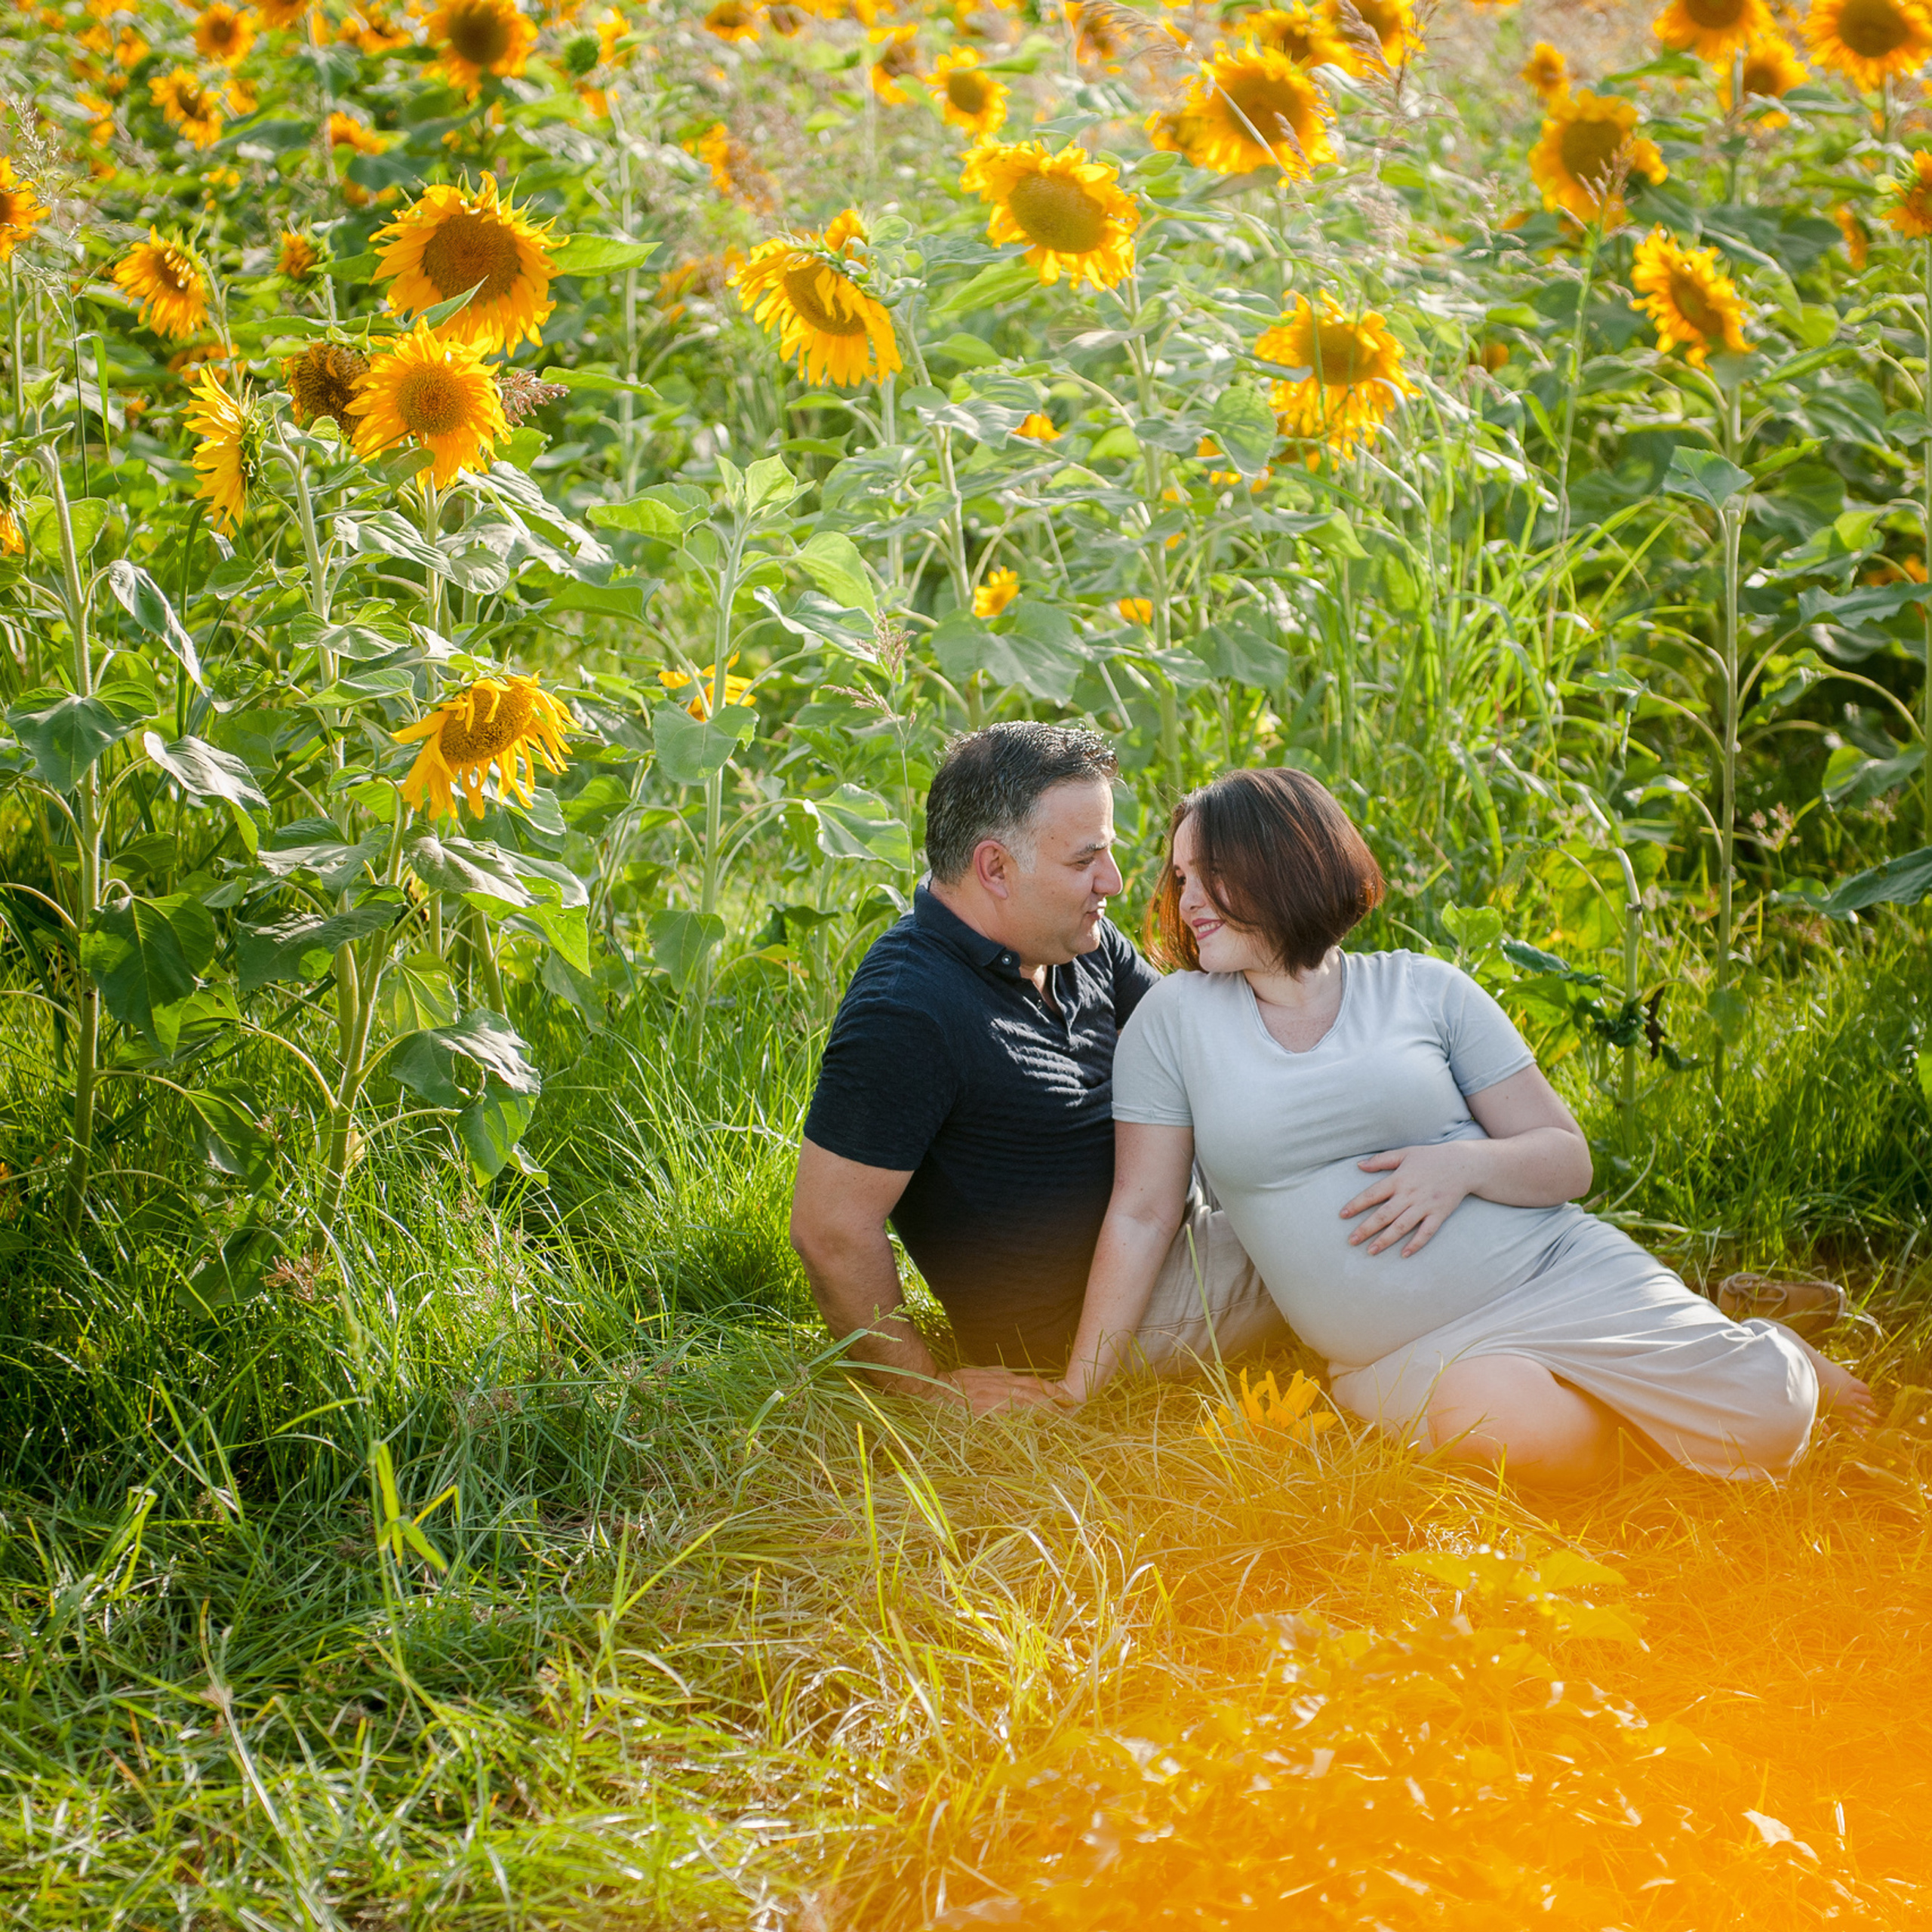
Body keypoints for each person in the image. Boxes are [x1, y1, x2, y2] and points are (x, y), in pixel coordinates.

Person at [1054, 765, 1874, 1486]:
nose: (1184, 900)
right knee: (1520, 1437)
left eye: (1210, 874)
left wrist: (1462, 1169)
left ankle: (1774, 1351)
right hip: (1398, 1352)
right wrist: (1076, 1390)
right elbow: (1143, 1210)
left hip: (1551, 1272)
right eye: (1179, 877)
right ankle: (1657, 1411)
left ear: (1286, 865)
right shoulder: (1174, 1020)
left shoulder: (1425, 990)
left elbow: (1565, 1161)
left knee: (1767, 1421)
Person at [790, 723, 1287, 1416]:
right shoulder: (908, 1011)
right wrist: (928, 1390)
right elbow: (830, 1229)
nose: (1112, 882)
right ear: (995, 868)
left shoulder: (1075, 940)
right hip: (1107, 1316)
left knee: (1393, 1163)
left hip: (1175, 1210)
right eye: (1087, 861)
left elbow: (1199, 1043)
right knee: (1348, 1220)